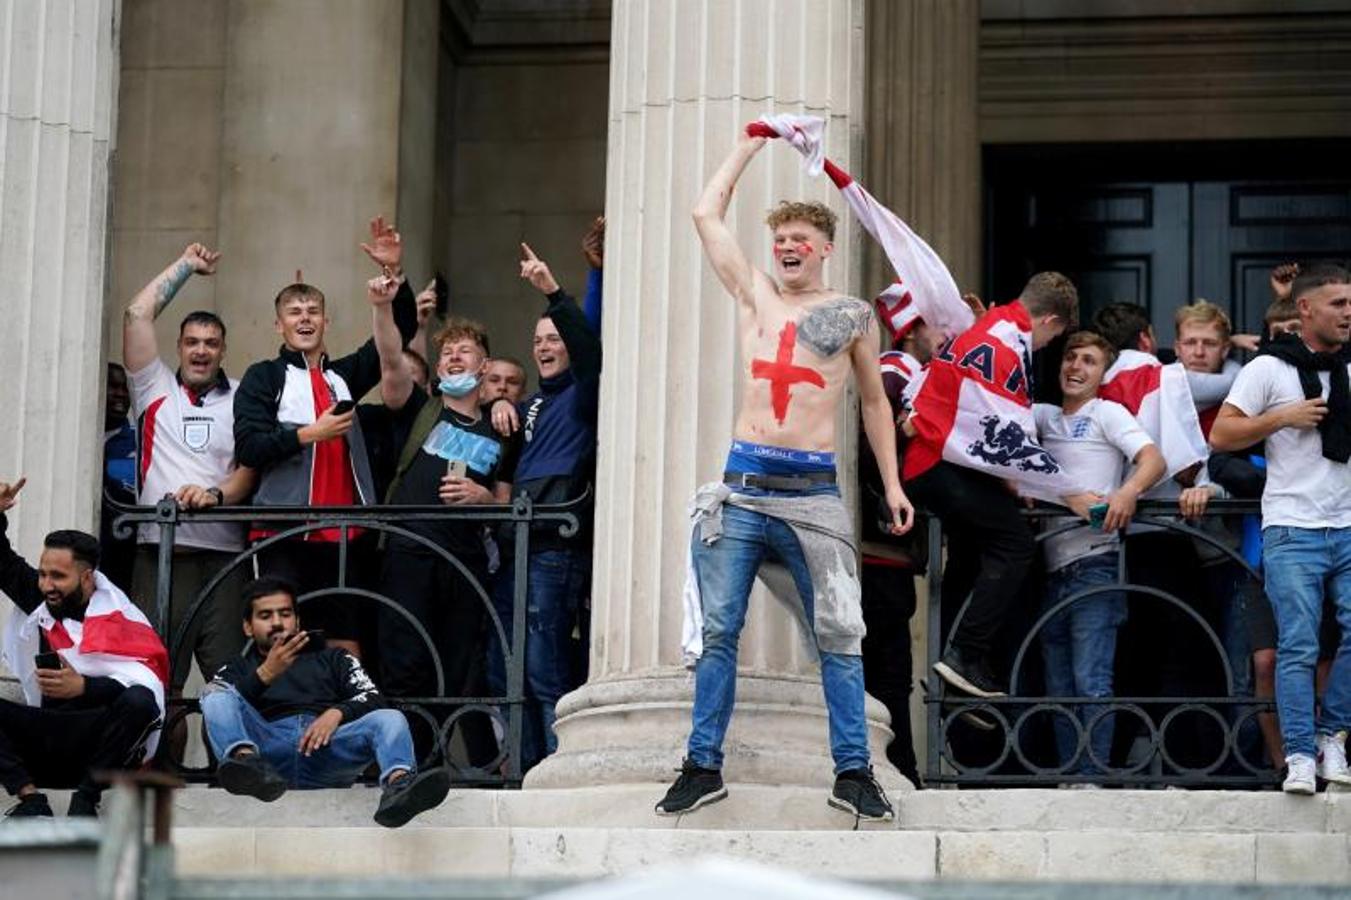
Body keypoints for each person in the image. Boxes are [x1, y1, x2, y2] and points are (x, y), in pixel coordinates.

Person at [655, 129, 914, 821]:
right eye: (779, 238)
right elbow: (704, 215)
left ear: (825, 246)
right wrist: (746, 144)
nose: (787, 246)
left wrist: (890, 485)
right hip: (739, 492)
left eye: (800, 236)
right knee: (717, 631)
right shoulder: (755, 298)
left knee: (839, 632)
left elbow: (872, 402)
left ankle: (853, 771)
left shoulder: (851, 315)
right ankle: (701, 765)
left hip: (813, 496)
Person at [903, 272, 1095, 701]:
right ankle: (963, 656)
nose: (1048, 347)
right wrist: (1070, 492)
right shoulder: (1007, 346)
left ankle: (956, 678)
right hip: (937, 465)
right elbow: (1010, 439)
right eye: (1055, 337)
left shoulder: (989, 328)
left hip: (934, 463)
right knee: (1015, 544)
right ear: (1049, 320)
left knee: (972, 554)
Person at [233, 216, 415, 659]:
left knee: (345, 640)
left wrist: (394, 274)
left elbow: (400, 329)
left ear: (326, 321)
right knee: (283, 641)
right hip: (283, 531)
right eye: (295, 313)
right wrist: (309, 434)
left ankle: (344, 724)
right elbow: (249, 447)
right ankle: (287, 724)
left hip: (344, 533)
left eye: (313, 311)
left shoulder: (344, 375)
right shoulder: (263, 377)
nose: (305, 319)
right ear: (279, 326)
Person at [1210, 262, 1351, 794]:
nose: (1348, 312)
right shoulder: (1268, 369)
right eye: (1338, 303)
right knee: (1295, 646)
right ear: (1306, 309)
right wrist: (1281, 418)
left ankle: (1332, 737)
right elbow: (1222, 436)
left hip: (1348, 523)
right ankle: (1298, 755)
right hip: (1292, 527)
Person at [369, 270, 519, 764]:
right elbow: (390, 359)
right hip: (409, 552)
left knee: (459, 666)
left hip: (464, 560)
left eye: (465, 352)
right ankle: (408, 766)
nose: (453, 357)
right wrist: (383, 307)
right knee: (404, 660)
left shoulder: (504, 430)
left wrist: (481, 498)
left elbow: (508, 505)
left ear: (484, 367)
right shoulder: (419, 409)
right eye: (447, 351)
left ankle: (461, 765)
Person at [200, 577, 449, 827]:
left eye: (285, 614)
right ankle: (246, 765)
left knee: (390, 718)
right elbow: (219, 709)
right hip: (267, 753)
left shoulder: (335, 659)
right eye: (265, 615)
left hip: (327, 749)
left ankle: (399, 786)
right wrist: (264, 675)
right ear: (248, 627)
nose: (277, 622)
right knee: (214, 693)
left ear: (297, 621)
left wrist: (337, 712)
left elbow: (374, 697)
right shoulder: (236, 668)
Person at [121, 243, 257, 696]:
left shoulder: (244, 397)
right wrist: (185, 266)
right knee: (159, 685)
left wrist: (215, 495)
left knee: (230, 685)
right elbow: (137, 314)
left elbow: (250, 470)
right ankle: (163, 769)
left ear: (223, 350)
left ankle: (230, 767)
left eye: (211, 343)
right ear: (178, 346)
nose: (201, 351)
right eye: (192, 342)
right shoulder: (153, 387)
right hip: (161, 555)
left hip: (225, 559)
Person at [487, 241, 602, 771]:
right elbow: (498, 472)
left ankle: (558, 770)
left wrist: (556, 291)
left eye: (554, 339)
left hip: (556, 548)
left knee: (543, 668)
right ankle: (525, 770)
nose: (545, 347)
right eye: (538, 340)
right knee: (504, 670)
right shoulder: (527, 404)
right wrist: (498, 404)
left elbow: (589, 343)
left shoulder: (583, 393)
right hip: (517, 549)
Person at [1032, 332, 1165, 781]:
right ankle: (1071, 777)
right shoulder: (1043, 417)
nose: (1076, 367)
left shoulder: (1107, 412)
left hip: (1096, 565)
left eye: (1089, 361)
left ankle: (1092, 779)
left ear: (1102, 374)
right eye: (1070, 357)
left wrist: (1127, 492)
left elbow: (1152, 459)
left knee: (1091, 680)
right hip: (1049, 568)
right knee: (1058, 685)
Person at [0, 478, 168, 818]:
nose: (47, 585)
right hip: (45, 740)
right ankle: (30, 799)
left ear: (88, 577)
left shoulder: (121, 619)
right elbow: (2, 564)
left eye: (58, 577)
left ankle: (85, 800)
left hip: (101, 751)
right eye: (43, 574)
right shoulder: (41, 600)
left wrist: (85, 687)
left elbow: (146, 687)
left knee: (140, 702)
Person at [100, 362, 137, 592]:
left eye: (125, 388)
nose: (120, 394)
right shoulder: (74, 436)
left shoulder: (138, 441)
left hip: (124, 553)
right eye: (112, 386)